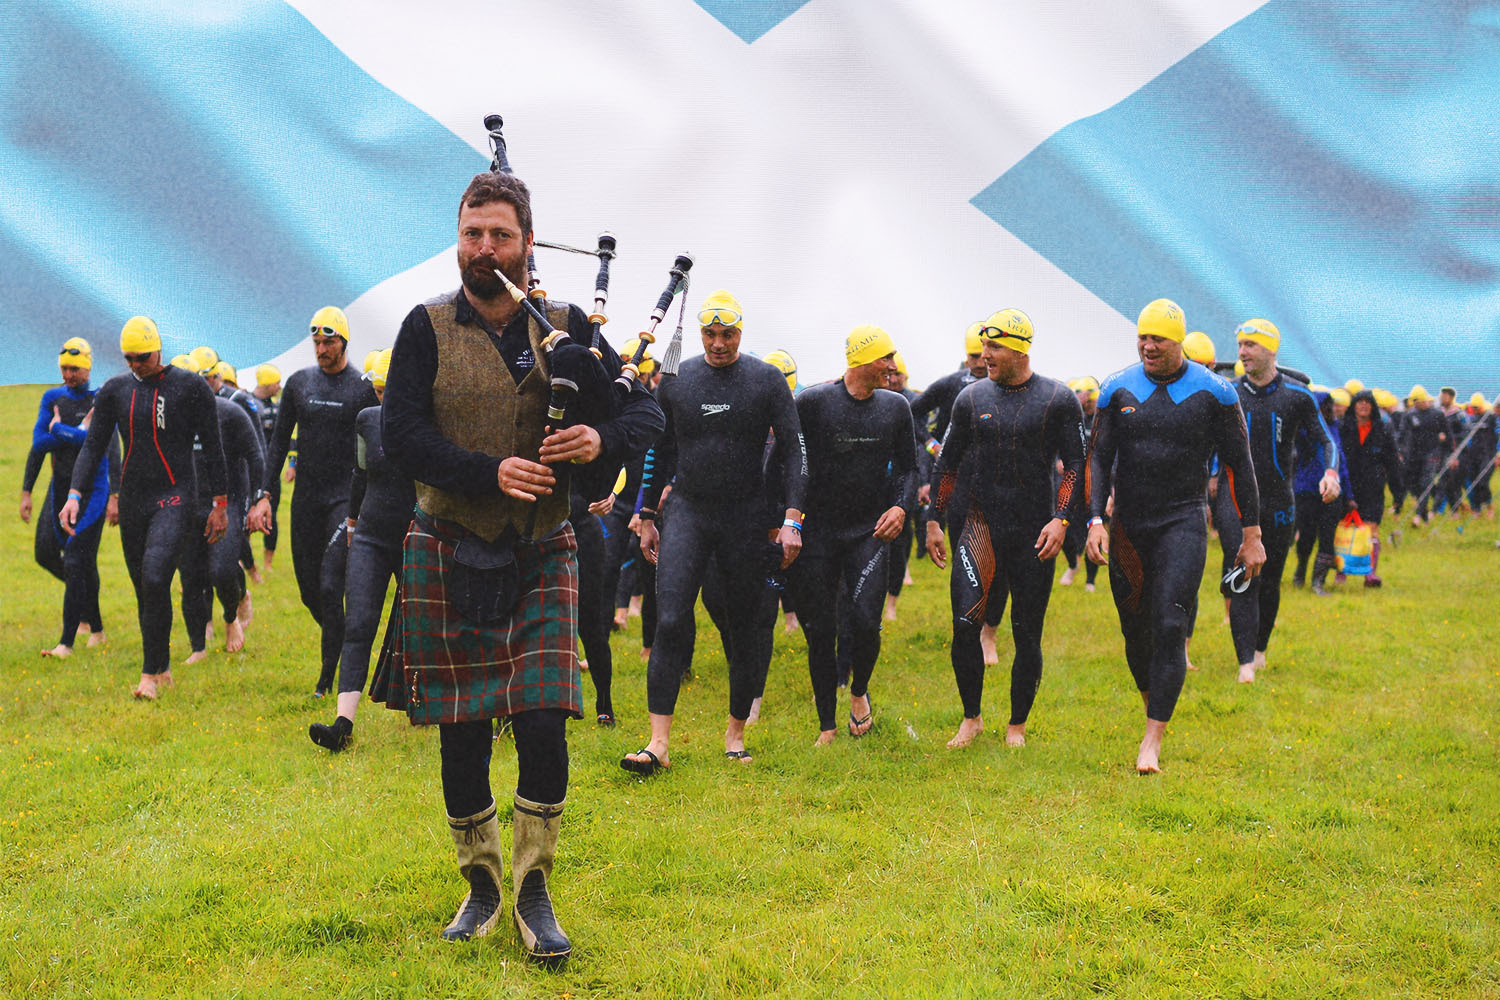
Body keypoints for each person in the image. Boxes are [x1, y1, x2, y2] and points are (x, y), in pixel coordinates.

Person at [374, 169, 662, 962]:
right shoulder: (424, 326)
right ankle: (481, 884)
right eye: (472, 233)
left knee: (542, 720)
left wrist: (601, 440)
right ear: (458, 239)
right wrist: (487, 470)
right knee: (461, 733)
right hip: (446, 544)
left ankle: (534, 887)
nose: (484, 249)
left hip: (541, 549)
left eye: (499, 235)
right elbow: (399, 435)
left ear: (528, 244)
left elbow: (642, 409)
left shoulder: (567, 326)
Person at [625, 289, 807, 772]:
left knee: (746, 625)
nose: (718, 343)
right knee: (669, 620)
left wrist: (792, 519)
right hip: (689, 509)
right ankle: (657, 744)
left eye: (727, 334)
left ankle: (734, 736)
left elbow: (794, 451)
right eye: (710, 333)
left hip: (746, 515)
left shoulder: (766, 381)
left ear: (740, 334)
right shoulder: (677, 380)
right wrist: (646, 515)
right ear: (700, 333)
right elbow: (656, 452)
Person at [1084, 299, 1262, 773]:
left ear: (1178, 341)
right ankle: (1154, 702)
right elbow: (1097, 458)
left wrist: (1252, 533)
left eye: (1157, 338)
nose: (1148, 346)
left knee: (1169, 625)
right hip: (1128, 524)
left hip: (1183, 520)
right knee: (1134, 630)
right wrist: (1094, 521)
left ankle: (1152, 739)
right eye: (1142, 337)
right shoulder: (1116, 388)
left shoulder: (1215, 393)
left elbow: (1240, 466)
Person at [925, 310, 1084, 748]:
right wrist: (935, 520)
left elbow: (1074, 464)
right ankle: (971, 717)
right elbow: (948, 462)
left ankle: (1016, 724)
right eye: (982, 346)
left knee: (1026, 630)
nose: (983, 355)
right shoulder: (971, 399)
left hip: (1034, 529)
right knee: (964, 622)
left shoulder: (1058, 398)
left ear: (1019, 349)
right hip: (980, 524)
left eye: (993, 347)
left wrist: (1061, 518)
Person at [59, 317, 228, 700]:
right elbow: (93, 445)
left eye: (143, 357)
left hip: (176, 494)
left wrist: (220, 503)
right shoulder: (115, 391)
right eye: (129, 358)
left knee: (155, 576)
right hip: (135, 501)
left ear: (159, 350)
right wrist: (74, 494)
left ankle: (149, 676)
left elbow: (214, 448)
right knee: (146, 588)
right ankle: (163, 666)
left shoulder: (190, 386)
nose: (136, 364)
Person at [787, 325, 915, 745]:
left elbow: (909, 469)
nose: (893, 369)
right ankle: (826, 724)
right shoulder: (813, 402)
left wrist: (899, 506)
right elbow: (792, 462)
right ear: (862, 361)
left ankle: (858, 692)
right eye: (886, 359)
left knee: (865, 621)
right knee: (820, 627)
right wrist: (787, 520)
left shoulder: (896, 408)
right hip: (820, 531)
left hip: (869, 530)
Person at [249, 307, 378, 696]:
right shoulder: (299, 384)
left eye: (329, 341)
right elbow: (276, 443)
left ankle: (327, 680)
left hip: (344, 499)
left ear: (344, 342)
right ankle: (343, 640)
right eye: (317, 342)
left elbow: (374, 447)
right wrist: (265, 494)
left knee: (328, 585)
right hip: (305, 497)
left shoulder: (361, 387)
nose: (321, 349)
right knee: (308, 591)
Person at [1220, 319, 1338, 681]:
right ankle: (1243, 664)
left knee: (1269, 581)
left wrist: (1330, 472)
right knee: (1241, 575)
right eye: (1240, 345)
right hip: (1234, 500)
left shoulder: (1297, 396)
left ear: (1271, 350)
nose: (1242, 352)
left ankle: (1258, 650)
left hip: (1278, 501)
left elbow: (1325, 441)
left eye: (1251, 346)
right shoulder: (1227, 392)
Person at [309, 350, 415, 751]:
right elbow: (360, 473)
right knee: (358, 624)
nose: (384, 397)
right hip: (370, 534)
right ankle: (342, 724)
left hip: (414, 536)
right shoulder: (366, 421)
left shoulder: (426, 423)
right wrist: (352, 522)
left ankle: (424, 706)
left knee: (419, 625)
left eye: (390, 389)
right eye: (379, 389)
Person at [20, 337, 119, 658]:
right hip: (58, 487)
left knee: (77, 560)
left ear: (88, 367)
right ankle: (95, 623)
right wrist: (26, 490)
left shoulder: (101, 398)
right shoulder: (53, 397)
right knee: (46, 554)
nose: (68, 374)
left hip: (93, 491)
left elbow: (104, 446)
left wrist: (60, 431)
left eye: (74, 368)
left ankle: (66, 643)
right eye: (64, 367)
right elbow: (39, 443)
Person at [175, 356, 265, 660]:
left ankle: (230, 617)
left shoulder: (230, 414)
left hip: (229, 502)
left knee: (222, 571)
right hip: (188, 506)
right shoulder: (172, 418)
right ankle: (198, 647)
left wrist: (258, 500)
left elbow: (257, 457)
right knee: (190, 579)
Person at [1290, 391, 1353, 595]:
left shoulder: (1335, 429)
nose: (1329, 410)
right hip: (1307, 490)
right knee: (1306, 536)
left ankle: (1318, 582)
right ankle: (1300, 572)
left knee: (1327, 537)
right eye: (1324, 406)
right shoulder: (1302, 431)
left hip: (1333, 491)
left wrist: (1349, 495)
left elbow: (1341, 462)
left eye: (1330, 406)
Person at [1339, 388, 1403, 587]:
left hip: (1373, 488)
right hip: (1347, 486)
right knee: (1343, 528)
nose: (1364, 405)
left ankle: (1370, 574)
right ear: (1354, 406)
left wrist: (1398, 492)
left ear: (1373, 407)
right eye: (1360, 402)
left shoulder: (1382, 430)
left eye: (1368, 402)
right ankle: (1341, 572)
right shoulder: (1343, 428)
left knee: (1371, 530)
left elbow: (1392, 462)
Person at [1057, 376, 1100, 591]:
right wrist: (1058, 460)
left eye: (1088, 400)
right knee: (1064, 527)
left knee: (1093, 529)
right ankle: (1073, 564)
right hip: (1071, 483)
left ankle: (1090, 580)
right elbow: (1058, 442)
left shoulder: (1102, 418)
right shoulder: (1073, 418)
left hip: (1094, 485)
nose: (1084, 403)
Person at [1398, 385, 1449, 526]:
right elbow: (1401, 435)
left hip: (1432, 453)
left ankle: (1418, 516)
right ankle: (1425, 513)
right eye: (1414, 401)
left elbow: (1447, 434)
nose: (1417, 404)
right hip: (1413, 454)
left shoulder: (1437, 414)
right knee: (1414, 484)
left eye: (1419, 401)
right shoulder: (1409, 415)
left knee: (1425, 482)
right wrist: (1400, 452)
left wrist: (1449, 454)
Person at [251, 364, 285, 568]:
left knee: (273, 513)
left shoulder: (277, 406)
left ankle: (268, 563)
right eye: (277, 382)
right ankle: (244, 560)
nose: (279, 386)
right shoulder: (249, 403)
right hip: (251, 469)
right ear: (267, 383)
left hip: (271, 471)